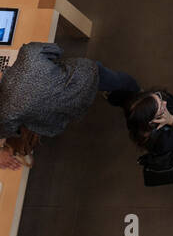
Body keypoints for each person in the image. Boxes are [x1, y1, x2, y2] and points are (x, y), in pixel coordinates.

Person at [0, 43, 140, 169]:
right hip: (86, 76)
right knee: (118, 81)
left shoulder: (7, 114)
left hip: (67, 110)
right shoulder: (27, 53)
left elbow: (7, 134)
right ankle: (138, 97)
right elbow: (57, 50)